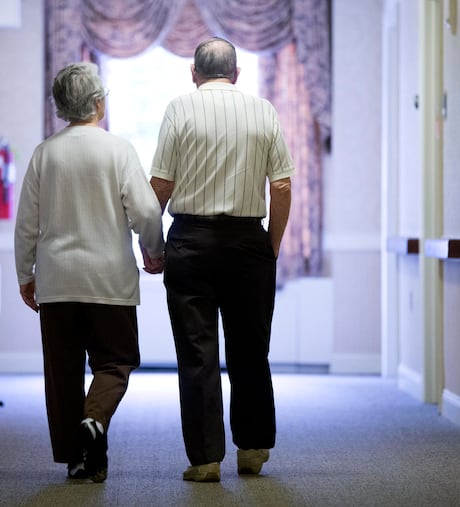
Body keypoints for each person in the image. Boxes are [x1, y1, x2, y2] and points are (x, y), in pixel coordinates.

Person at [147, 37, 294, 482]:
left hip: (191, 240)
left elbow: (160, 186)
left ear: (193, 73)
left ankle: (206, 459)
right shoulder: (263, 110)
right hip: (249, 241)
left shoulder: (179, 109)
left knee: (197, 353)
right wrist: (271, 244)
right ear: (237, 73)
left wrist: (153, 246)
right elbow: (282, 187)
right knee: (251, 349)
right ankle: (252, 450)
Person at [14, 62, 165, 483]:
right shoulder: (118, 150)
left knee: (62, 372)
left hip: (58, 281)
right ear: (98, 102)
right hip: (108, 281)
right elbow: (147, 212)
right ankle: (95, 419)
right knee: (116, 362)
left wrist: (25, 274)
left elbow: (27, 223)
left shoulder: (45, 153)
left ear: (61, 106)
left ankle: (77, 458)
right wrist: (154, 251)